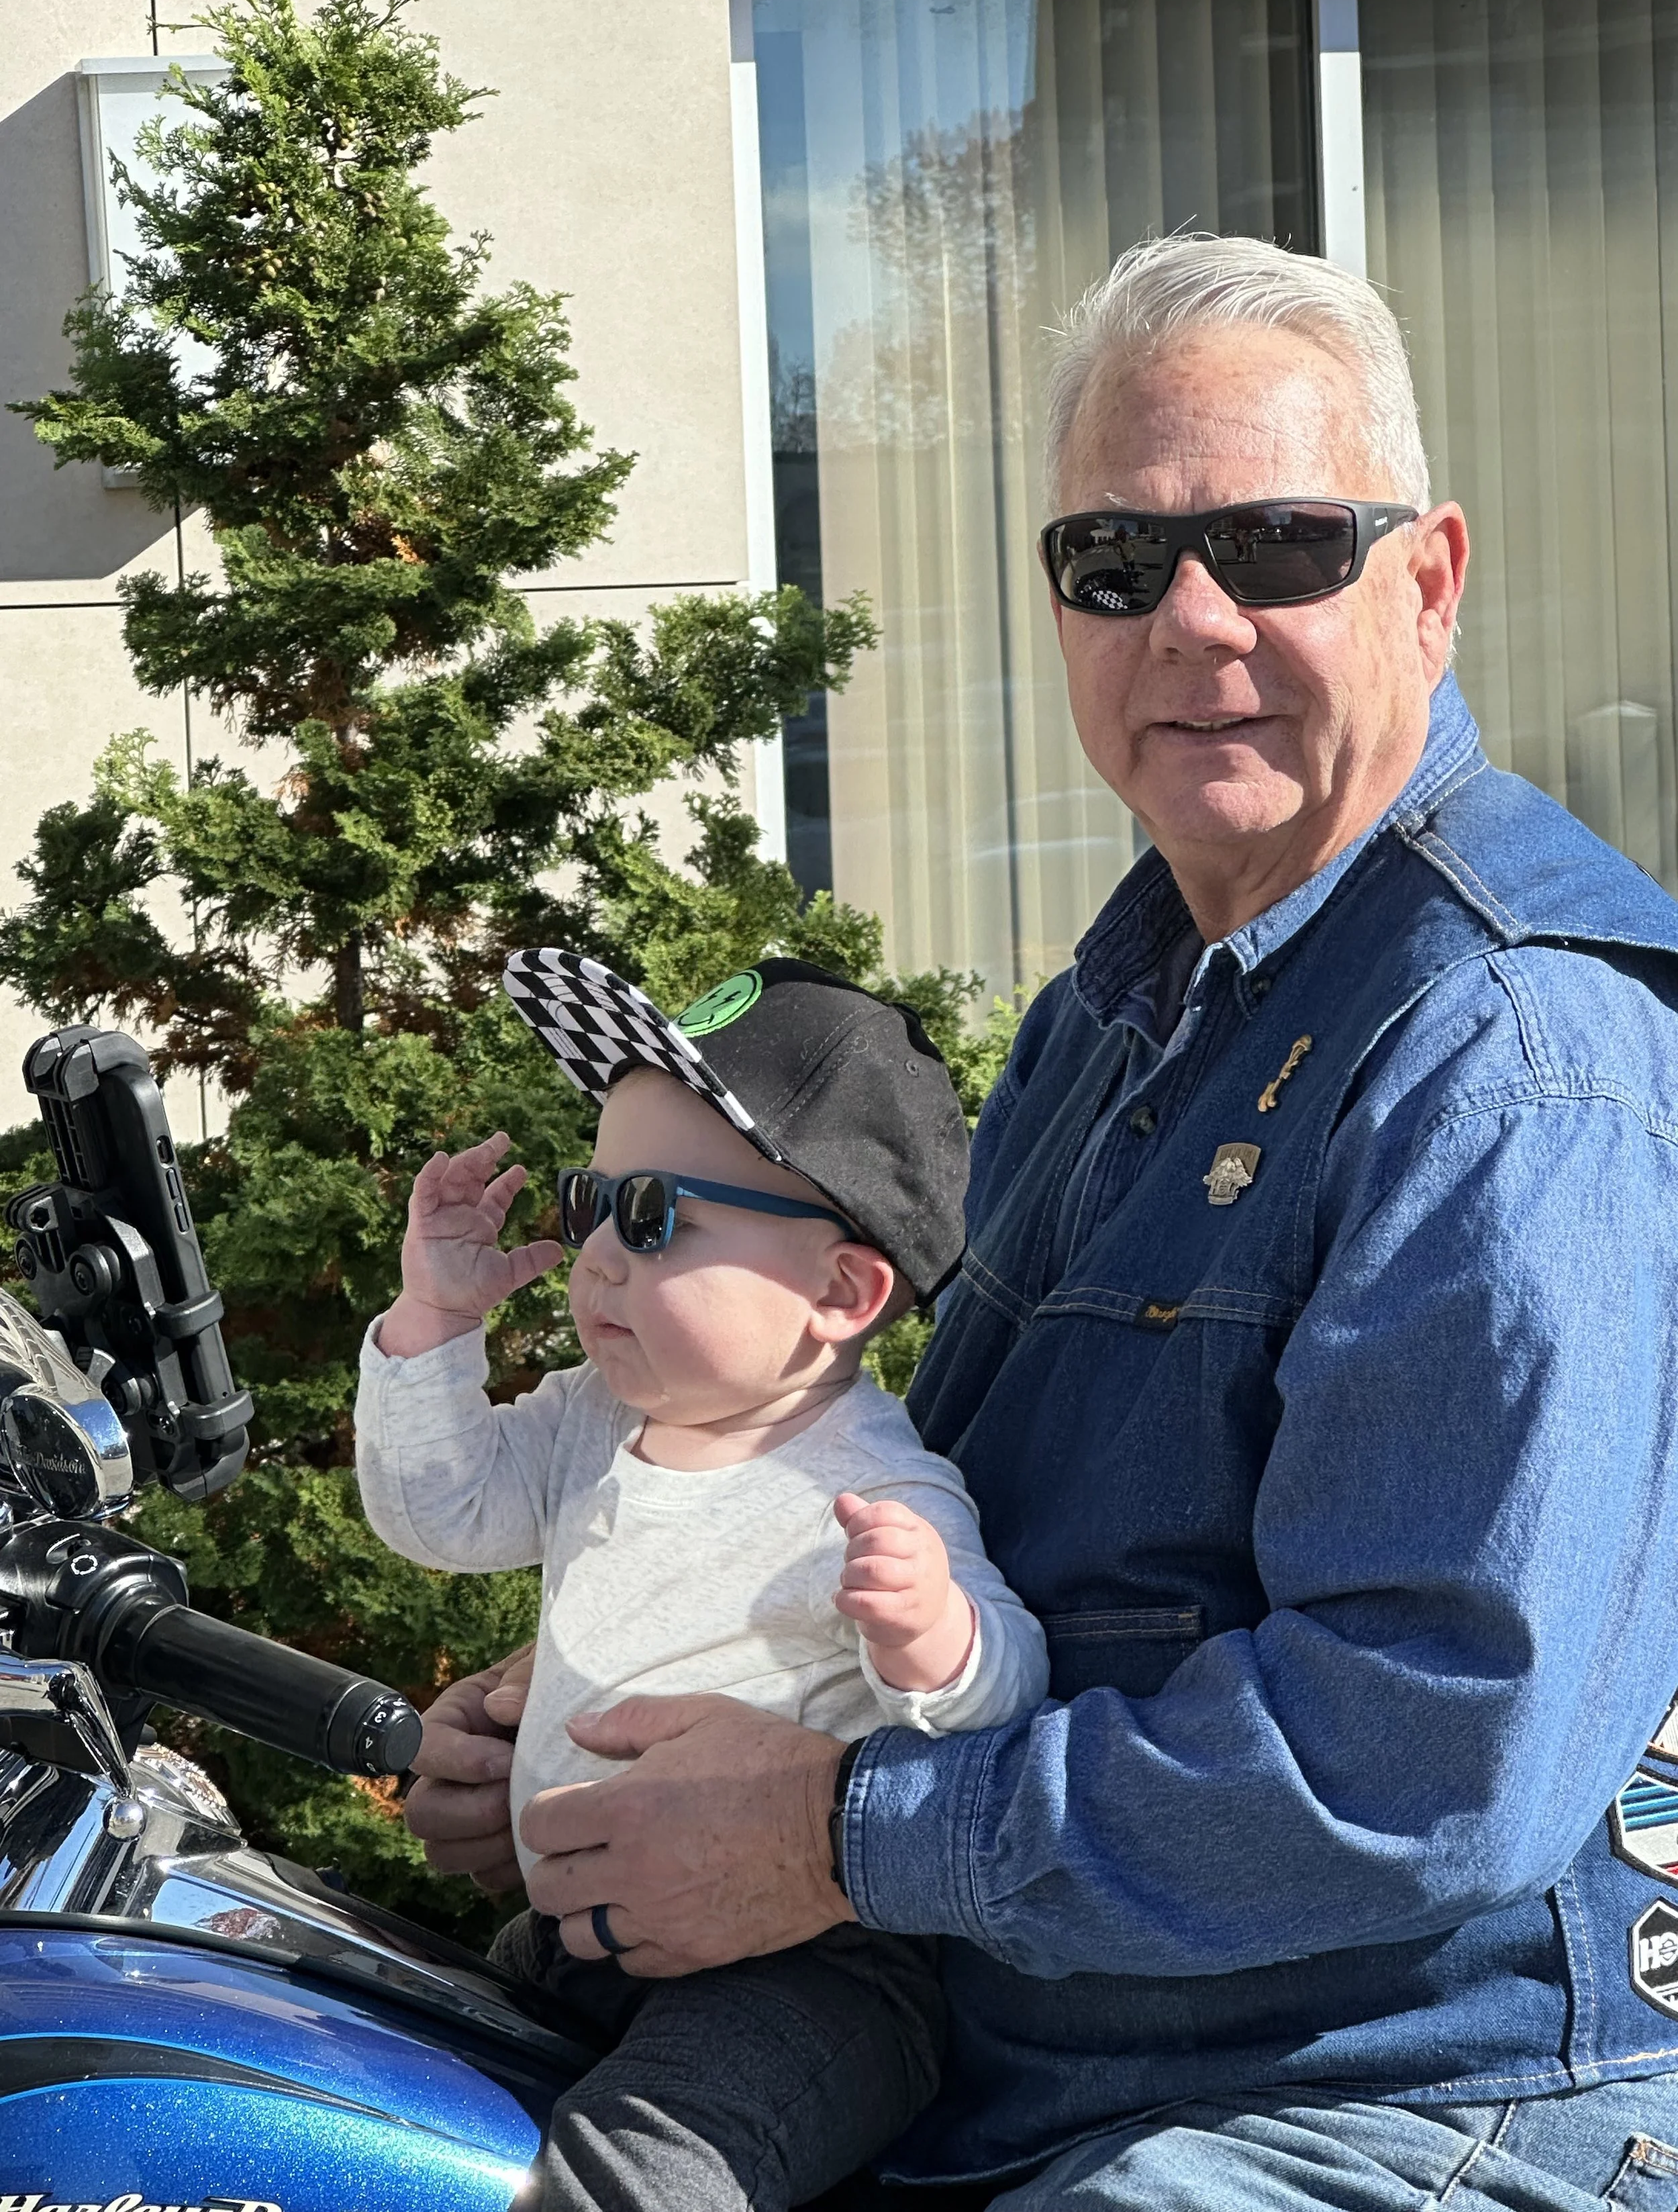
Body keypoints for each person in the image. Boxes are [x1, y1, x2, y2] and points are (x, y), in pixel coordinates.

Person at [405, 234, 1678, 2211]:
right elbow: (970, 1526)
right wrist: (633, 1721)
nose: (1190, 619)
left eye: (1273, 544)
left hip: (1394, 2095)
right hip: (1044, 2035)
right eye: (1114, 561)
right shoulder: (1135, 997)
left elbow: (1426, 1755)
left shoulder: (1507, 1059)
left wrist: (834, 1831)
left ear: (1424, 579)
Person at [355, 950, 1048, 2211]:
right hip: (577, 1938)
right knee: (396, 2085)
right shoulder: (587, 1420)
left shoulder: (871, 1490)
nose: (599, 1260)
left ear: (841, 1292)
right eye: (591, 1201)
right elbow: (437, 1514)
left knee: (637, 2173)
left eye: (656, 1217)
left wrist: (935, 1639)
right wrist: (433, 1325)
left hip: (807, 1974)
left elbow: (1000, 1704)